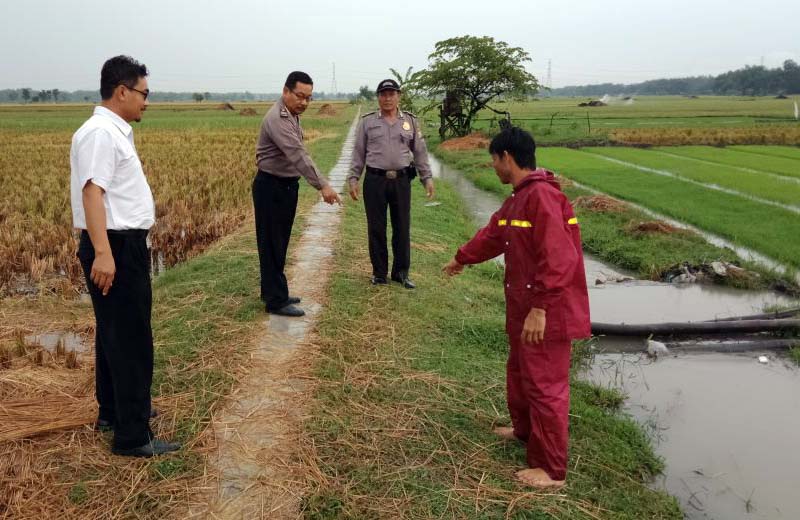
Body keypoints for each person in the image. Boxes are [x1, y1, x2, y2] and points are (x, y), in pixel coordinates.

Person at [442, 127, 590, 488]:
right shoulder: (518, 199)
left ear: (506, 157)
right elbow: (494, 236)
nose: (493, 166)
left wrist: (541, 308)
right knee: (521, 374)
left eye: (493, 160)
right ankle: (524, 432)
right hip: (524, 309)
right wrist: (462, 258)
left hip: (546, 312)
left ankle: (551, 469)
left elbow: (559, 259)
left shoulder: (542, 197)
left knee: (545, 386)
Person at [71, 55, 179, 457]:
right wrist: (103, 253)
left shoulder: (109, 130)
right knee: (132, 338)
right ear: (122, 91)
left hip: (115, 244)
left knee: (113, 332)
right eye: (143, 93)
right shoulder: (101, 133)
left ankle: (113, 411)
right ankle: (133, 435)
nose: (146, 101)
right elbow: (92, 192)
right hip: (115, 246)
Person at [254, 71, 341, 317]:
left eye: (308, 98)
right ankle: (276, 301)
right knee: (271, 244)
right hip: (272, 187)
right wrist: (323, 185)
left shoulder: (291, 114)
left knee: (278, 242)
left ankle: (273, 290)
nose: (304, 102)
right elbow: (298, 155)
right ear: (286, 92)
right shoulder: (279, 119)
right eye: (299, 96)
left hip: (285, 186)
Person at [348, 79, 434, 289]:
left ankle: (401, 273)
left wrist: (427, 178)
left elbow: (420, 152)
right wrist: (353, 178)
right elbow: (358, 153)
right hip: (375, 180)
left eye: (391, 94)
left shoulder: (410, 122)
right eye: (383, 94)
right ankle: (379, 273)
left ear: (398, 96)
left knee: (402, 227)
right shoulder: (367, 122)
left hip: (402, 180)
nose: (387, 98)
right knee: (376, 227)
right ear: (378, 97)